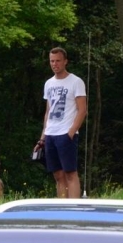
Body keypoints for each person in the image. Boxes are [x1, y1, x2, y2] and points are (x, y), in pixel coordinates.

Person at [35, 47, 87, 198]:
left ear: (65, 62)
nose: (55, 64)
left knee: (70, 172)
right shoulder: (49, 83)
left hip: (66, 132)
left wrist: (71, 132)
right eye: (52, 61)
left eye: (58, 61)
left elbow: (82, 110)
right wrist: (42, 138)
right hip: (50, 133)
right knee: (57, 174)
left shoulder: (76, 82)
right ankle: (62, 205)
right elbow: (48, 111)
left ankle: (74, 206)